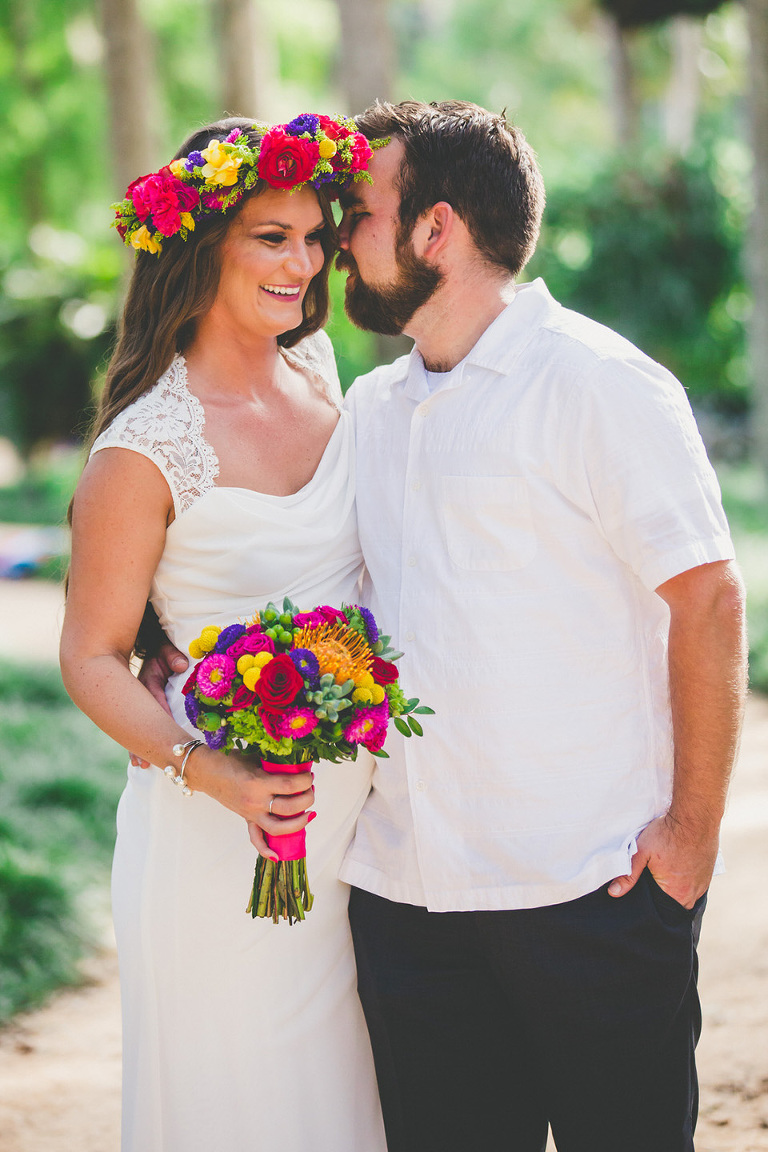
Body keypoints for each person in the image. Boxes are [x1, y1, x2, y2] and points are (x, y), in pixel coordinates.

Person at [144, 100, 748, 1151]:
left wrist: (689, 838)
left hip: (589, 888)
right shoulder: (368, 413)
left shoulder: (599, 384)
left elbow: (708, 598)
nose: (334, 246)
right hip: (405, 906)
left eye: (355, 216)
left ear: (437, 231)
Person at [59, 115, 386, 1152]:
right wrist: (215, 775)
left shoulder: (322, 372)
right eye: (270, 238)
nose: (305, 263)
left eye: (314, 237)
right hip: (217, 840)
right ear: (202, 246)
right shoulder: (143, 447)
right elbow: (91, 657)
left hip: (355, 839)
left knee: (354, 1101)